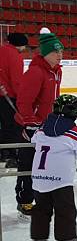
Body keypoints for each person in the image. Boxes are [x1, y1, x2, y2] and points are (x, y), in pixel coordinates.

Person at [30, 94, 77, 241]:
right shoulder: (76, 132)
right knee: (65, 209)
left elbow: (33, 141)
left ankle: (38, 238)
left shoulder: (42, 128)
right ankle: (67, 240)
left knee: (40, 208)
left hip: (39, 178)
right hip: (61, 181)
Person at [15, 28, 64, 216]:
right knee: (28, 163)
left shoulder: (56, 72)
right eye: (56, 52)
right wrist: (30, 123)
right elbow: (24, 101)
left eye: (61, 51)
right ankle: (25, 200)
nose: (60, 55)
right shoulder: (36, 72)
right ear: (45, 54)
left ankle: (43, 196)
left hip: (48, 125)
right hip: (33, 127)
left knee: (45, 164)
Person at [0, 32, 27, 167]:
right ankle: (11, 155)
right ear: (19, 44)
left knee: (3, 125)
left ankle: (2, 153)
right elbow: (16, 81)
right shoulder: (15, 56)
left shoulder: (1, 50)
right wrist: (21, 97)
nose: (25, 49)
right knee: (14, 125)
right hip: (9, 96)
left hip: (2, 94)